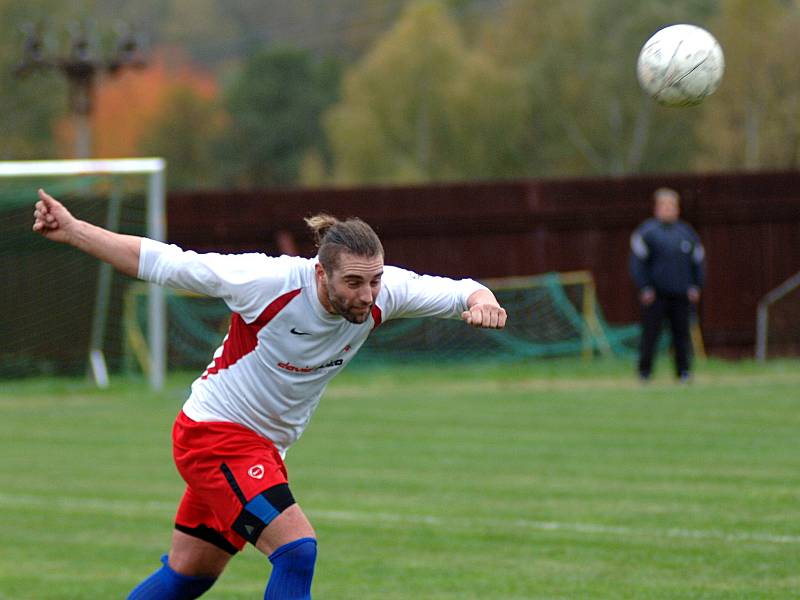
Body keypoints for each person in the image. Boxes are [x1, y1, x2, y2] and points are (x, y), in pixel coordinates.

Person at [32, 188, 507, 600]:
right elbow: (164, 262)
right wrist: (74, 230)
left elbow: (463, 291)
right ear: (322, 275)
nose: (367, 295)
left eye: (375, 280)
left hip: (260, 448)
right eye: (354, 283)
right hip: (214, 436)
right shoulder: (266, 282)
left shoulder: (384, 293)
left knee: (188, 576)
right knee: (297, 550)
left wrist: (483, 302)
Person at [630, 187, 705, 382]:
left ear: (678, 208)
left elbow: (698, 262)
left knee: (681, 335)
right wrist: (645, 287)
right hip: (656, 294)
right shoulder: (648, 233)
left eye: (672, 206)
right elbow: (638, 264)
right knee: (650, 335)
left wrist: (695, 286)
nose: (668, 209)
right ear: (656, 208)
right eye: (664, 206)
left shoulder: (687, 233)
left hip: (681, 293)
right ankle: (644, 373)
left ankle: (684, 373)